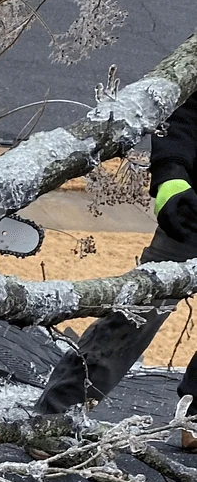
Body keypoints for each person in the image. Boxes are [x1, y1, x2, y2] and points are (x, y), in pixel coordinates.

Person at [34, 90, 197, 435]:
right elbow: (188, 108)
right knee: (142, 308)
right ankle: (56, 418)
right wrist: (172, 174)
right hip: (194, 211)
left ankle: (194, 421)